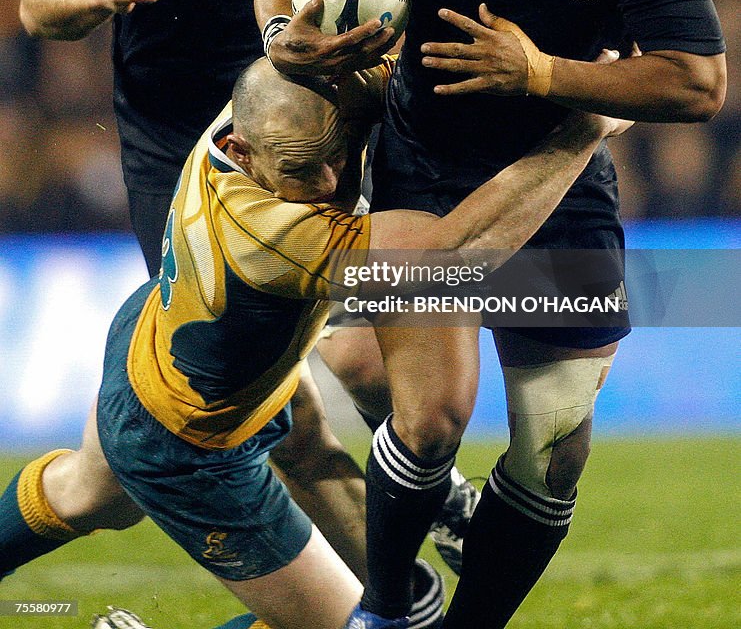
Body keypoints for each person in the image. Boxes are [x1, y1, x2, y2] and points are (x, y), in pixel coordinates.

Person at [253, 0, 727, 627]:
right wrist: (284, 41)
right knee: (429, 419)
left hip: (559, 182)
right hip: (421, 171)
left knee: (554, 454)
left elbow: (699, 80)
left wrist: (542, 73)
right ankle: (386, 613)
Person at [15, 0, 450, 589]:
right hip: (178, 157)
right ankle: (400, 576)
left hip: (308, 137)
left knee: (360, 370)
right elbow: (35, 2)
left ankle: (421, 514)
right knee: (281, 416)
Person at [0, 57, 632, 629]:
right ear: (242, 152)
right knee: (389, 620)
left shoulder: (263, 112)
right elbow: (454, 256)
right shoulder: (272, 236)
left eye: (334, 154)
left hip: (162, 349)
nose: (331, 182)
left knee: (83, 494)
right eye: (302, 170)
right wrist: (581, 130)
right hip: (191, 443)